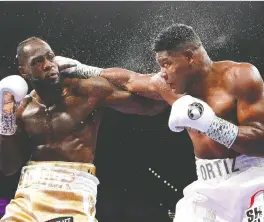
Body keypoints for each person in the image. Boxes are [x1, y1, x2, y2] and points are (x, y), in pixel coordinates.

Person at [61, 24, 264, 221]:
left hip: (252, 179)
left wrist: (211, 124)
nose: (162, 72)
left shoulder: (241, 76)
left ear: (190, 57)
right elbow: (130, 79)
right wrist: (81, 69)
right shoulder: (170, 86)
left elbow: (260, 142)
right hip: (208, 186)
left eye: (167, 63)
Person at [0, 37, 168, 222]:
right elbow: (9, 168)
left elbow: (151, 105)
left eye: (50, 57)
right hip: (29, 195)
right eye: (38, 61)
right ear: (23, 71)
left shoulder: (86, 91)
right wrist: (5, 123)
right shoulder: (21, 110)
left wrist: (86, 70)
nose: (49, 65)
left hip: (73, 193)